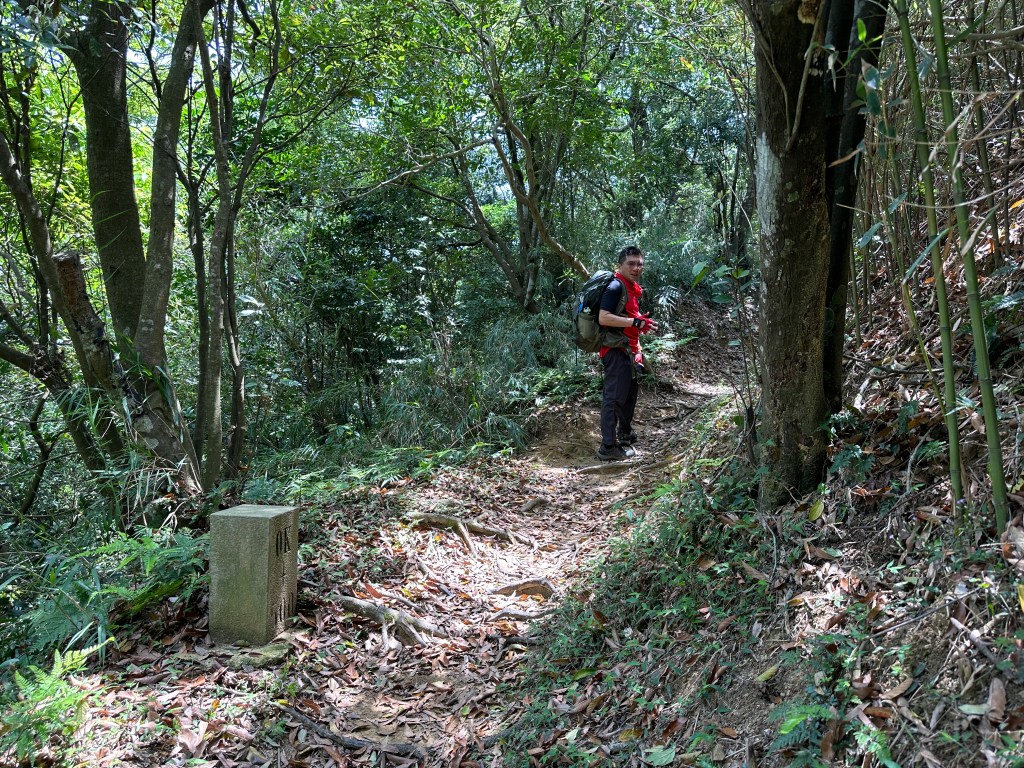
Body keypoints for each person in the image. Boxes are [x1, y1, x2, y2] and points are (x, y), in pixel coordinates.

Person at [596, 245, 658, 461]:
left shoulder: (630, 288)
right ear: (620, 265)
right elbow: (603, 317)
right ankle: (608, 447)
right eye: (631, 264)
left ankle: (624, 434)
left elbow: (627, 316)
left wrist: (639, 323)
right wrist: (635, 322)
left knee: (629, 394)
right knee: (613, 398)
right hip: (615, 350)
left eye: (639, 264)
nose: (636, 268)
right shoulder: (615, 286)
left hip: (630, 350)